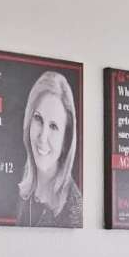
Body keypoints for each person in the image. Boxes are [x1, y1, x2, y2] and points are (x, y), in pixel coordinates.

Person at [15, 67, 82, 227]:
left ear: (66, 139)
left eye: (53, 126)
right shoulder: (23, 192)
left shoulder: (74, 211)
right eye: (38, 119)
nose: (42, 137)